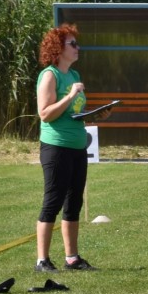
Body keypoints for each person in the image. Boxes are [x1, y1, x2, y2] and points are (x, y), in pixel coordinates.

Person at [34, 24, 112, 273]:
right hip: (56, 147)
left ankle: (72, 258)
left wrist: (97, 114)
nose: (78, 48)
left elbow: (74, 113)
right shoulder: (50, 75)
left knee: (74, 201)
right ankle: (42, 261)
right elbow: (45, 114)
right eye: (73, 44)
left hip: (78, 146)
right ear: (58, 48)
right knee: (53, 201)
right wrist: (69, 96)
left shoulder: (74, 75)